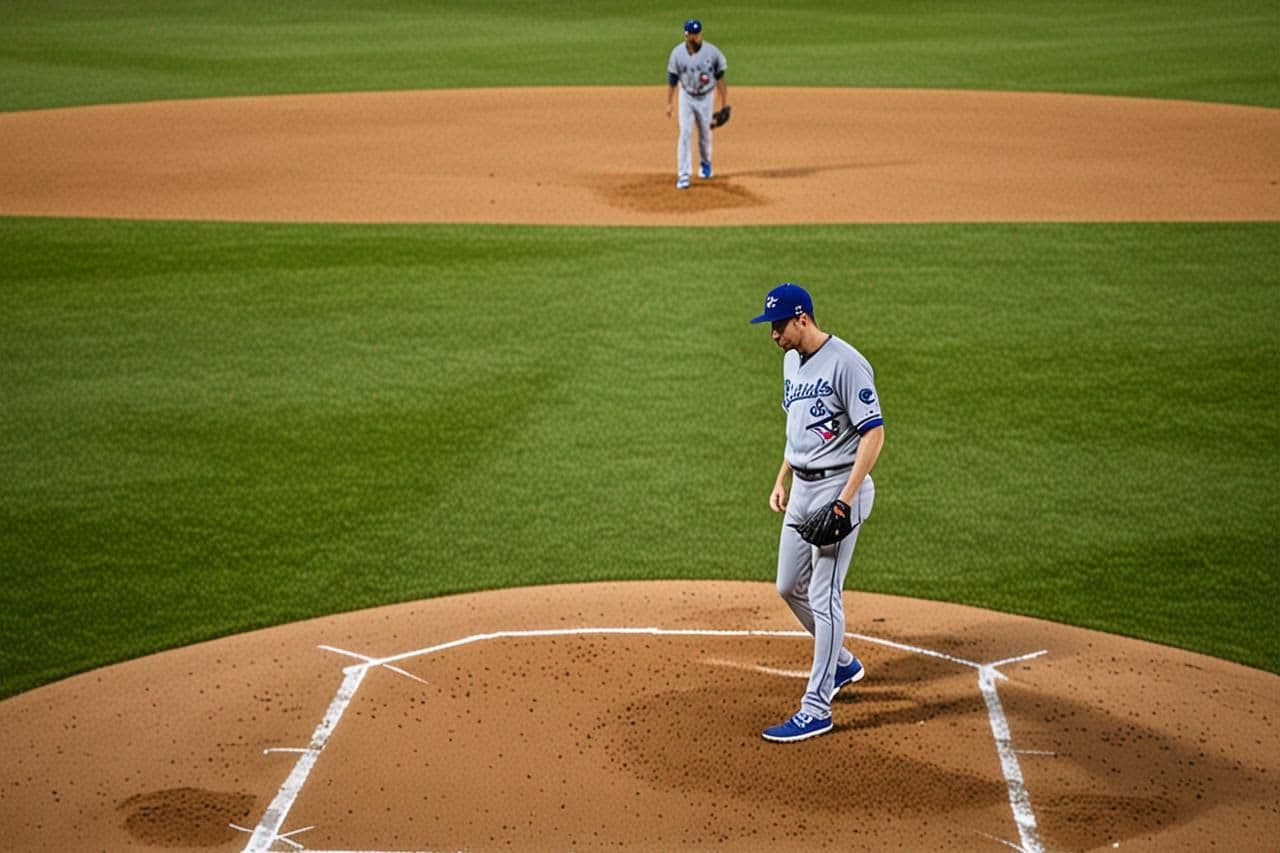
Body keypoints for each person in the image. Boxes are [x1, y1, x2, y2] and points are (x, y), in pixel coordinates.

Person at [749, 282, 885, 743]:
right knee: (788, 586)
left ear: (802, 318)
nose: (773, 335)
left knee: (826, 595)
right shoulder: (791, 362)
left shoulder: (846, 363)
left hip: (838, 488)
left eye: (778, 325)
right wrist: (781, 476)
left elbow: (874, 435)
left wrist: (845, 501)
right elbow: (799, 428)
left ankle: (816, 707)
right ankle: (842, 662)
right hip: (803, 488)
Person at [665, 18, 728, 189]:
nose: (694, 37)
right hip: (686, 96)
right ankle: (683, 175)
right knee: (685, 133)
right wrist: (669, 102)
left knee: (705, 133)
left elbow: (721, 78)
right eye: (691, 34)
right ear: (686, 35)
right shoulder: (677, 53)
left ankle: (705, 165)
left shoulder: (712, 53)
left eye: (697, 34)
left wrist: (724, 103)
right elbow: (672, 79)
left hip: (706, 96)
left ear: (701, 34)